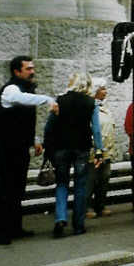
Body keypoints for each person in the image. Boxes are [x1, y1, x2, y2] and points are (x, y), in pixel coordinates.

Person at [0, 56, 57, 245]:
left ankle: (14, 228)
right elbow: (21, 100)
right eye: (28, 68)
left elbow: (25, 120)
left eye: (33, 68)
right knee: (6, 188)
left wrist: (34, 140)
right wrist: (46, 99)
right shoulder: (11, 89)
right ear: (17, 71)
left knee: (17, 188)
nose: (32, 71)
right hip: (5, 146)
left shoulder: (26, 89)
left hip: (18, 145)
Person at [45, 72, 103, 238]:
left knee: (62, 183)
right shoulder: (91, 103)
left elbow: (49, 125)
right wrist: (99, 150)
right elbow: (96, 130)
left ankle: (60, 218)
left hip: (61, 148)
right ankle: (78, 224)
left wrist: (47, 147)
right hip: (82, 148)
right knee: (80, 186)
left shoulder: (59, 100)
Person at [86, 78, 116, 219]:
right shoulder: (90, 107)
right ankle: (87, 207)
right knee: (91, 179)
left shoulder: (104, 107)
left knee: (104, 178)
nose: (106, 91)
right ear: (95, 91)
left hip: (107, 150)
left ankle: (100, 205)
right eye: (103, 89)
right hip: (94, 151)